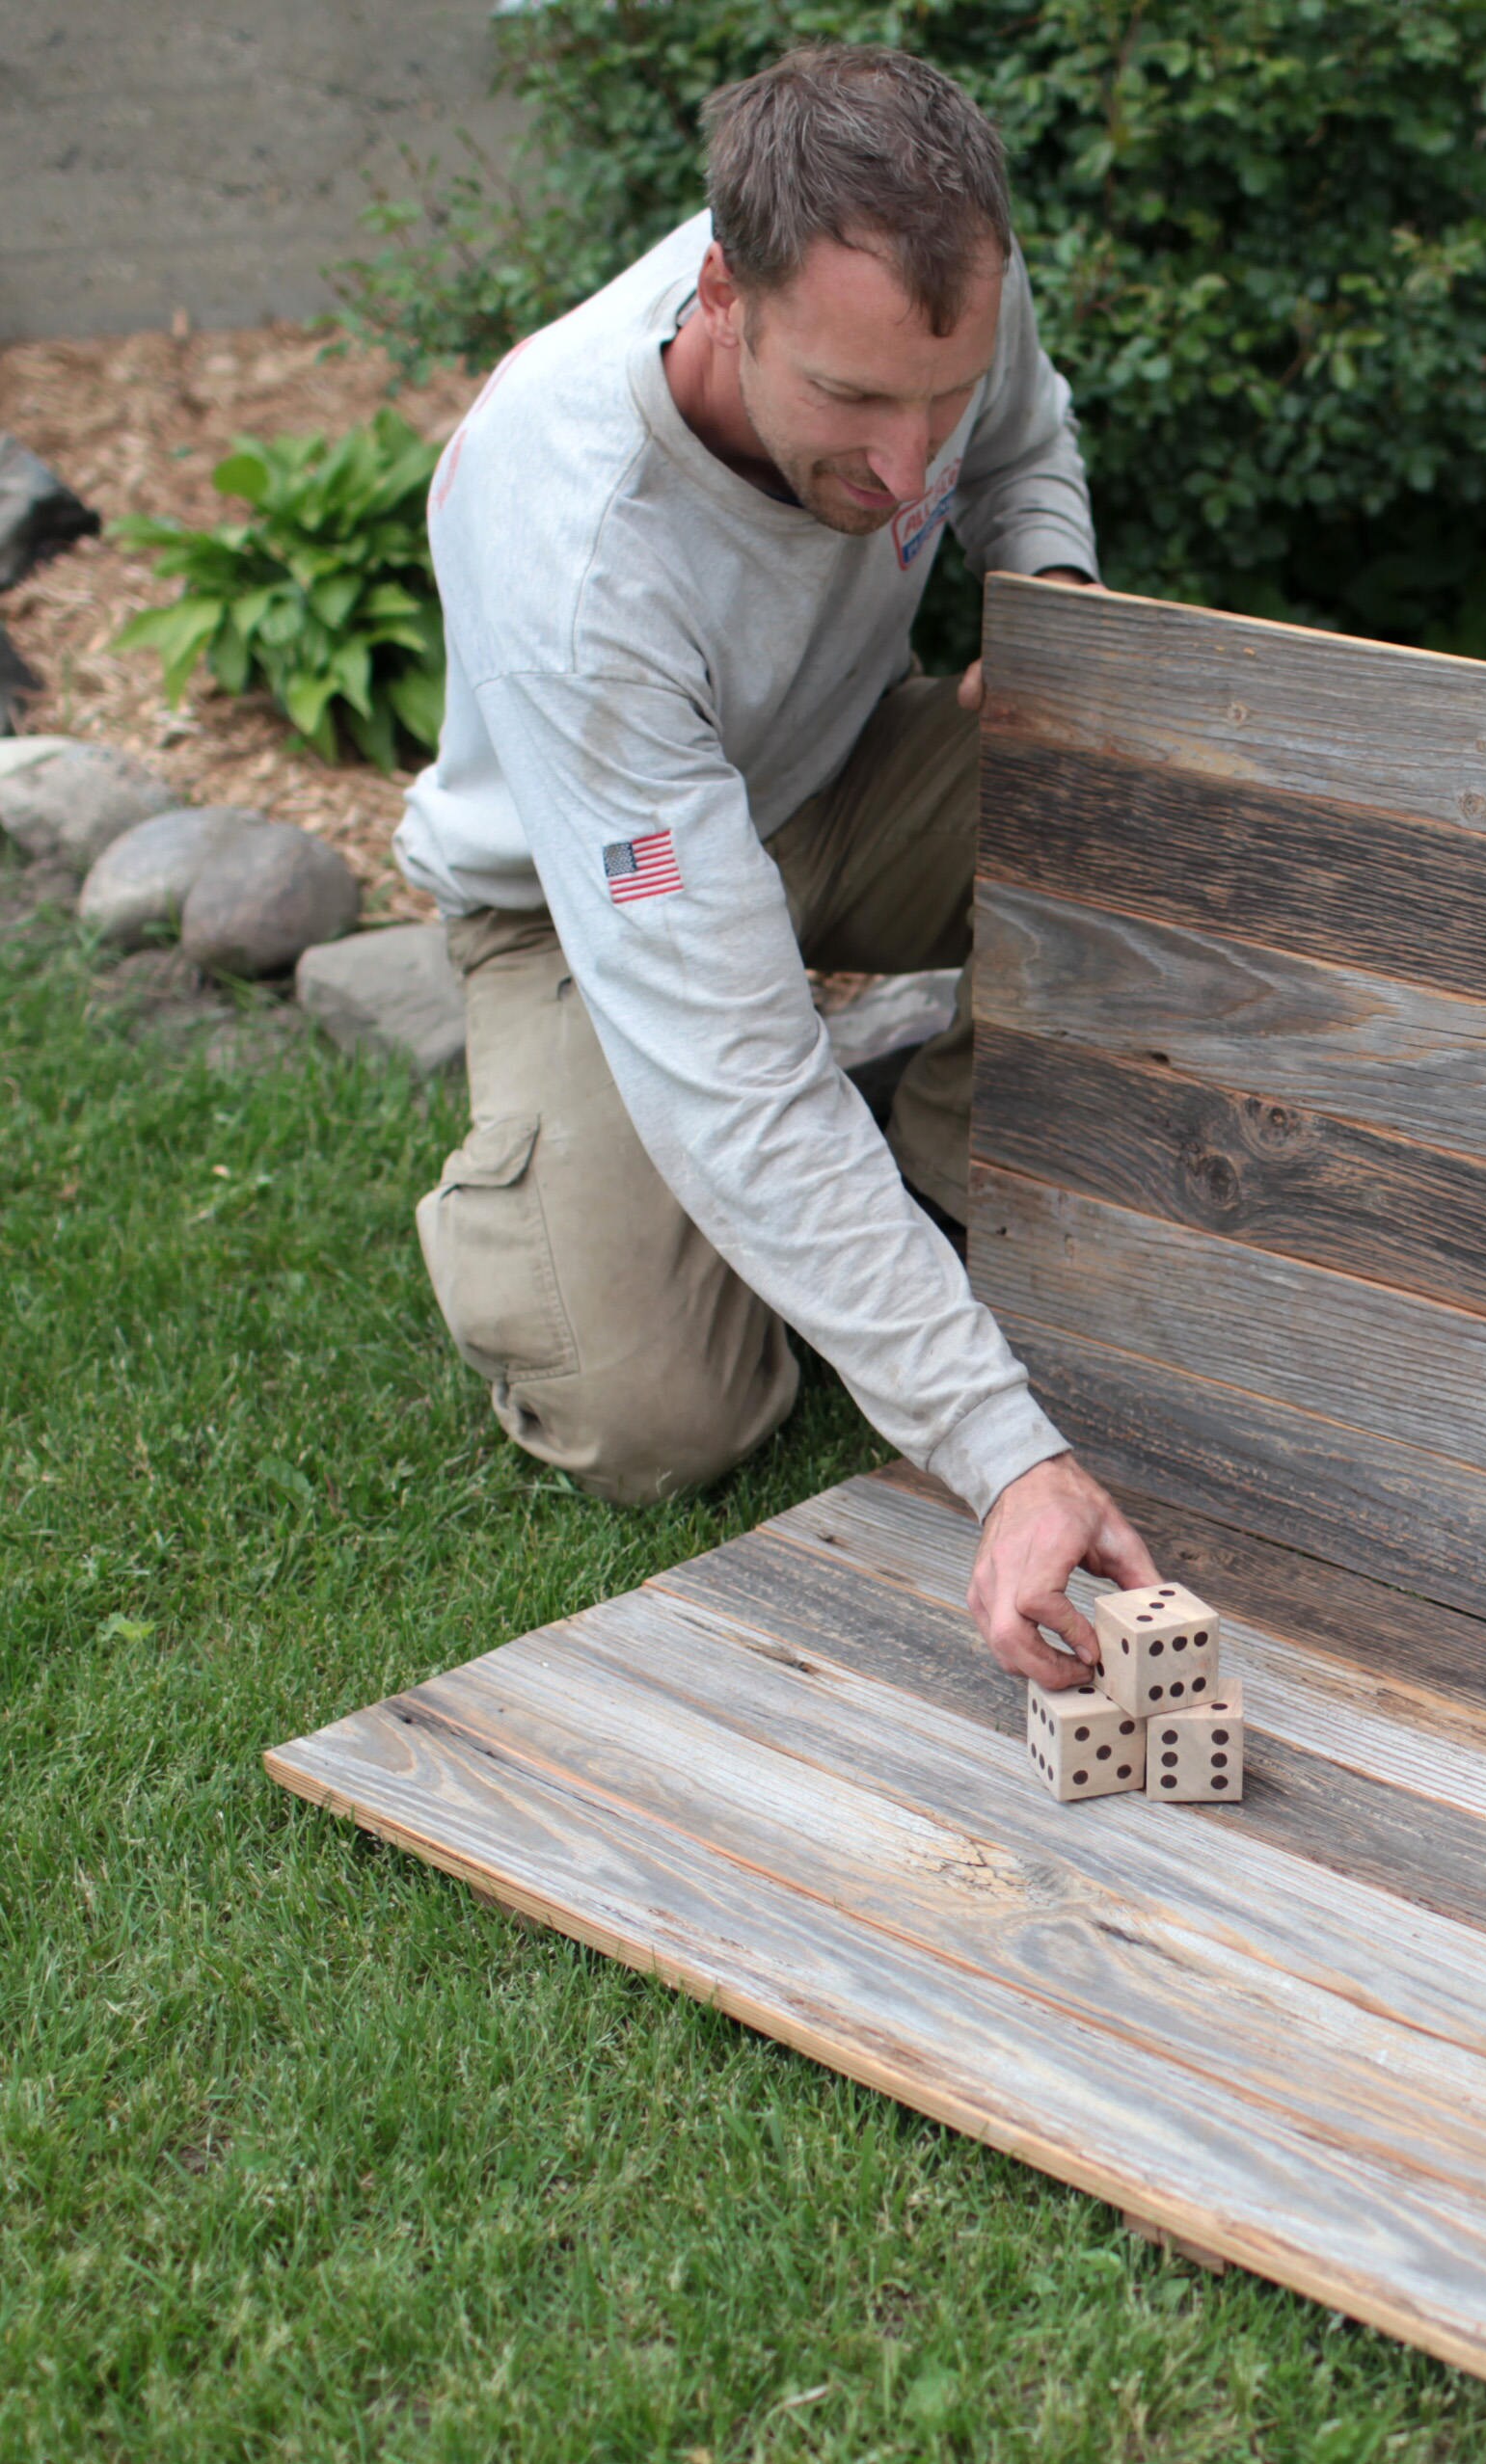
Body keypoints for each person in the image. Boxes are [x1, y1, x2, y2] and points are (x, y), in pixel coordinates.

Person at [393, 42, 1154, 1684]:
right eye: (858, 405)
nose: (906, 463)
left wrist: (1049, 600)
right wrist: (1007, 1454)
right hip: (582, 902)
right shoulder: (578, 540)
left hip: (827, 780)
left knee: (1130, 802)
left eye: (935, 396)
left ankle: (936, 1188)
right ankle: (534, 1185)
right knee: (658, 1412)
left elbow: (1024, 447)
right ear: (723, 289)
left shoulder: (932, 300)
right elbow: (731, 1067)